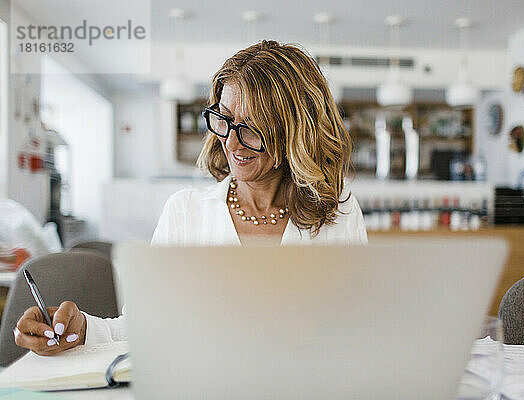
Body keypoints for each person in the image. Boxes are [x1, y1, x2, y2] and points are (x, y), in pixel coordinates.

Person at [13, 40, 367, 356]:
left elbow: (361, 327)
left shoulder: (340, 216)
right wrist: (84, 329)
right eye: (224, 120)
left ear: (295, 132)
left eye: (252, 129)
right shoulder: (186, 211)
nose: (230, 142)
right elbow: (146, 325)